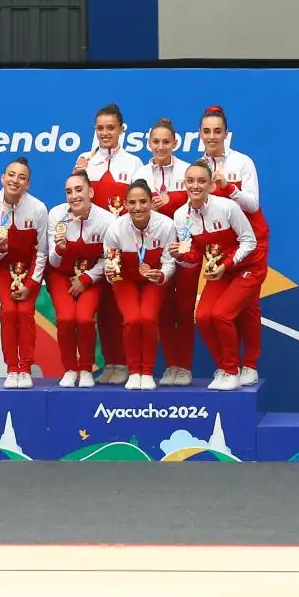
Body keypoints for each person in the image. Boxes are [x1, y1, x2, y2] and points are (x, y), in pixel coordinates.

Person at [198, 105, 270, 386]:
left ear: (227, 134)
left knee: (248, 308)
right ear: (200, 134)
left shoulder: (242, 162)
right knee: (208, 314)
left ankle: (248, 364)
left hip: (250, 244)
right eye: (207, 131)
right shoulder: (199, 166)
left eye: (217, 131)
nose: (212, 137)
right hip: (220, 247)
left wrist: (228, 187)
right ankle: (228, 367)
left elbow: (253, 204)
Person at [174, 160, 261, 389]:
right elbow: (192, 256)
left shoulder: (227, 207)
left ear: (211, 185)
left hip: (247, 268)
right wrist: (180, 254)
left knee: (222, 314)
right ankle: (224, 367)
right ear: (184, 184)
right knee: (202, 316)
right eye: (191, 181)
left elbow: (249, 241)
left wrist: (229, 263)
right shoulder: (180, 216)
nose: (196, 186)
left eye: (202, 181)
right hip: (220, 272)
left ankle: (232, 371)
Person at [74, 103, 141, 385]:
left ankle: (127, 363)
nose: (105, 133)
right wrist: (78, 172)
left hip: (123, 244)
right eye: (100, 128)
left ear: (121, 130)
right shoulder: (86, 161)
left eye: (110, 128)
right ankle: (110, 363)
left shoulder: (134, 163)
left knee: (122, 306)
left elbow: (139, 201)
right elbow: (76, 199)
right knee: (103, 309)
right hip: (93, 245)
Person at [0, 157, 49, 387]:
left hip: (30, 269)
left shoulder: (38, 208)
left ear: (28, 184)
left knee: (25, 313)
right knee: (9, 311)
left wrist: (31, 283)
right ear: (2, 178)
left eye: (22, 177)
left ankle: (26, 368)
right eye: (11, 174)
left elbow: (42, 252)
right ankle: (12, 368)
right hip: (3, 268)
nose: (15, 180)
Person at [101, 179, 176, 390]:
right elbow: (111, 263)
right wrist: (109, 273)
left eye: (143, 202)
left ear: (152, 203)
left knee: (149, 318)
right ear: (124, 205)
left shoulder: (166, 225)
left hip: (154, 279)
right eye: (132, 202)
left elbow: (170, 263)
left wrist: (161, 275)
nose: (137, 207)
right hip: (125, 279)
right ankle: (134, 371)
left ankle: (147, 372)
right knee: (133, 319)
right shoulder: (115, 228)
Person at [45, 171, 116, 387]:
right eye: (69, 191)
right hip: (60, 275)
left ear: (91, 192)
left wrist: (86, 279)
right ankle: (69, 369)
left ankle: (85, 368)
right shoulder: (56, 215)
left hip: (92, 276)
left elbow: (108, 259)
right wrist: (59, 249)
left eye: (79, 189)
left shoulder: (107, 220)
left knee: (84, 319)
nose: (74, 196)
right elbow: (53, 261)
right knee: (66, 319)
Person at [141, 119, 194, 383]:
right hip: (155, 249)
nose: (161, 147)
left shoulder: (187, 170)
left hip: (185, 246)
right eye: (156, 142)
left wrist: (172, 199)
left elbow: (199, 195)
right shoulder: (140, 173)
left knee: (183, 309)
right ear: (149, 143)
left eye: (166, 142)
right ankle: (170, 365)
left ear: (175, 143)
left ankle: (183, 367)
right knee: (162, 309)